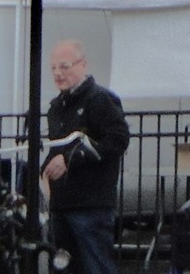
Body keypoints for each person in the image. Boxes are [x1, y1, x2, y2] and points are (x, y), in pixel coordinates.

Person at [43, 40, 129, 274]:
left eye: (64, 66)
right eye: (53, 68)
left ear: (83, 65)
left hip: (91, 205)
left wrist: (71, 159)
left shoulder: (100, 99)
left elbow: (117, 140)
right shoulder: (55, 107)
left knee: (95, 267)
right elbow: (56, 148)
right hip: (61, 204)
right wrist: (46, 170)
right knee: (63, 267)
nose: (58, 73)